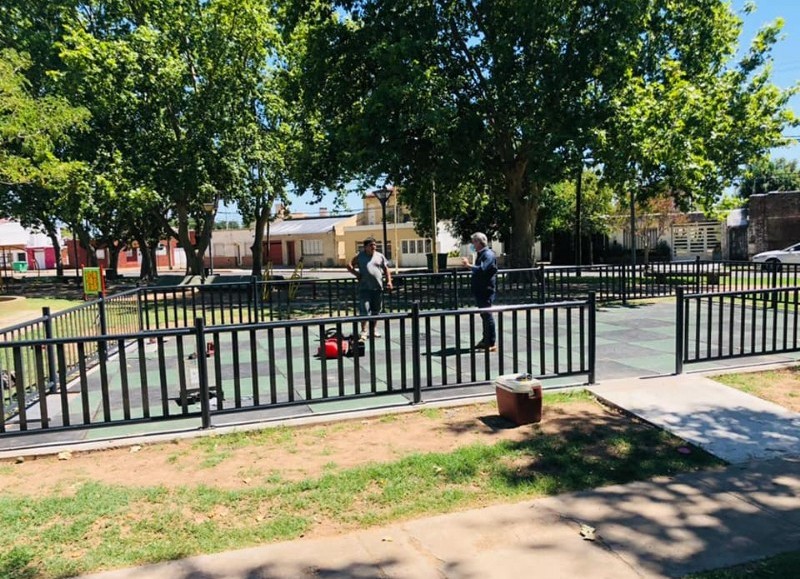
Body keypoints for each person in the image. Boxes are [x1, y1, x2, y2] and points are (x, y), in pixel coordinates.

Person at [348, 237, 393, 341]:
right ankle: (364, 331)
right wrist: (356, 274)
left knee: (376, 310)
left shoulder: (379, 256)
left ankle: (373, 329)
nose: (373, 247)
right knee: (364, 310)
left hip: (377, 288)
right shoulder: (360, 256)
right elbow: (349, 265)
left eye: (374, 245)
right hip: (364, 288)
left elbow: (386, 269)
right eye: (371, 245)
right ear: (365, 247)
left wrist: (389, 281)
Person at [461, 232, 498, 351]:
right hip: (481, 289)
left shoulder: (488, 254)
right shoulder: (482, 254)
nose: (473, 244)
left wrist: (468, 265)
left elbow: (482, 269)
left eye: (474, 242)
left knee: (487, 315)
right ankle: (485, 339)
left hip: (486, 289)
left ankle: (491, 342)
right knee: (484, 315)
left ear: (479, 242)